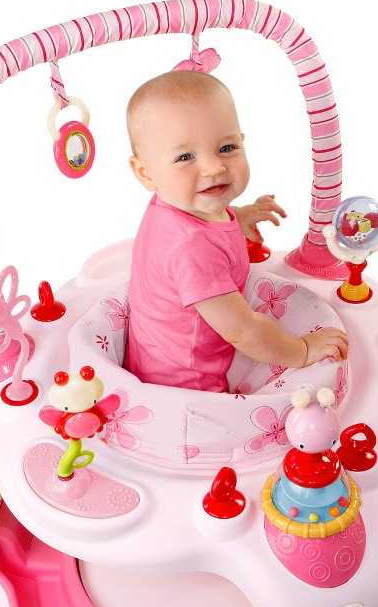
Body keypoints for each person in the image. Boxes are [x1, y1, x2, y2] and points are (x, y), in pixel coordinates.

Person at [123, 69, 348, 392]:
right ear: (146, 173)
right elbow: (242, 331)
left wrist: (237, 217)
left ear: (242, 141)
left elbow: (199, 224)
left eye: (226, 148)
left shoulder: (179, 203)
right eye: (185, 156)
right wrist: (302, 350)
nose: (214, 167)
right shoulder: (192, 250)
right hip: (187, 384)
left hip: (155, 354)